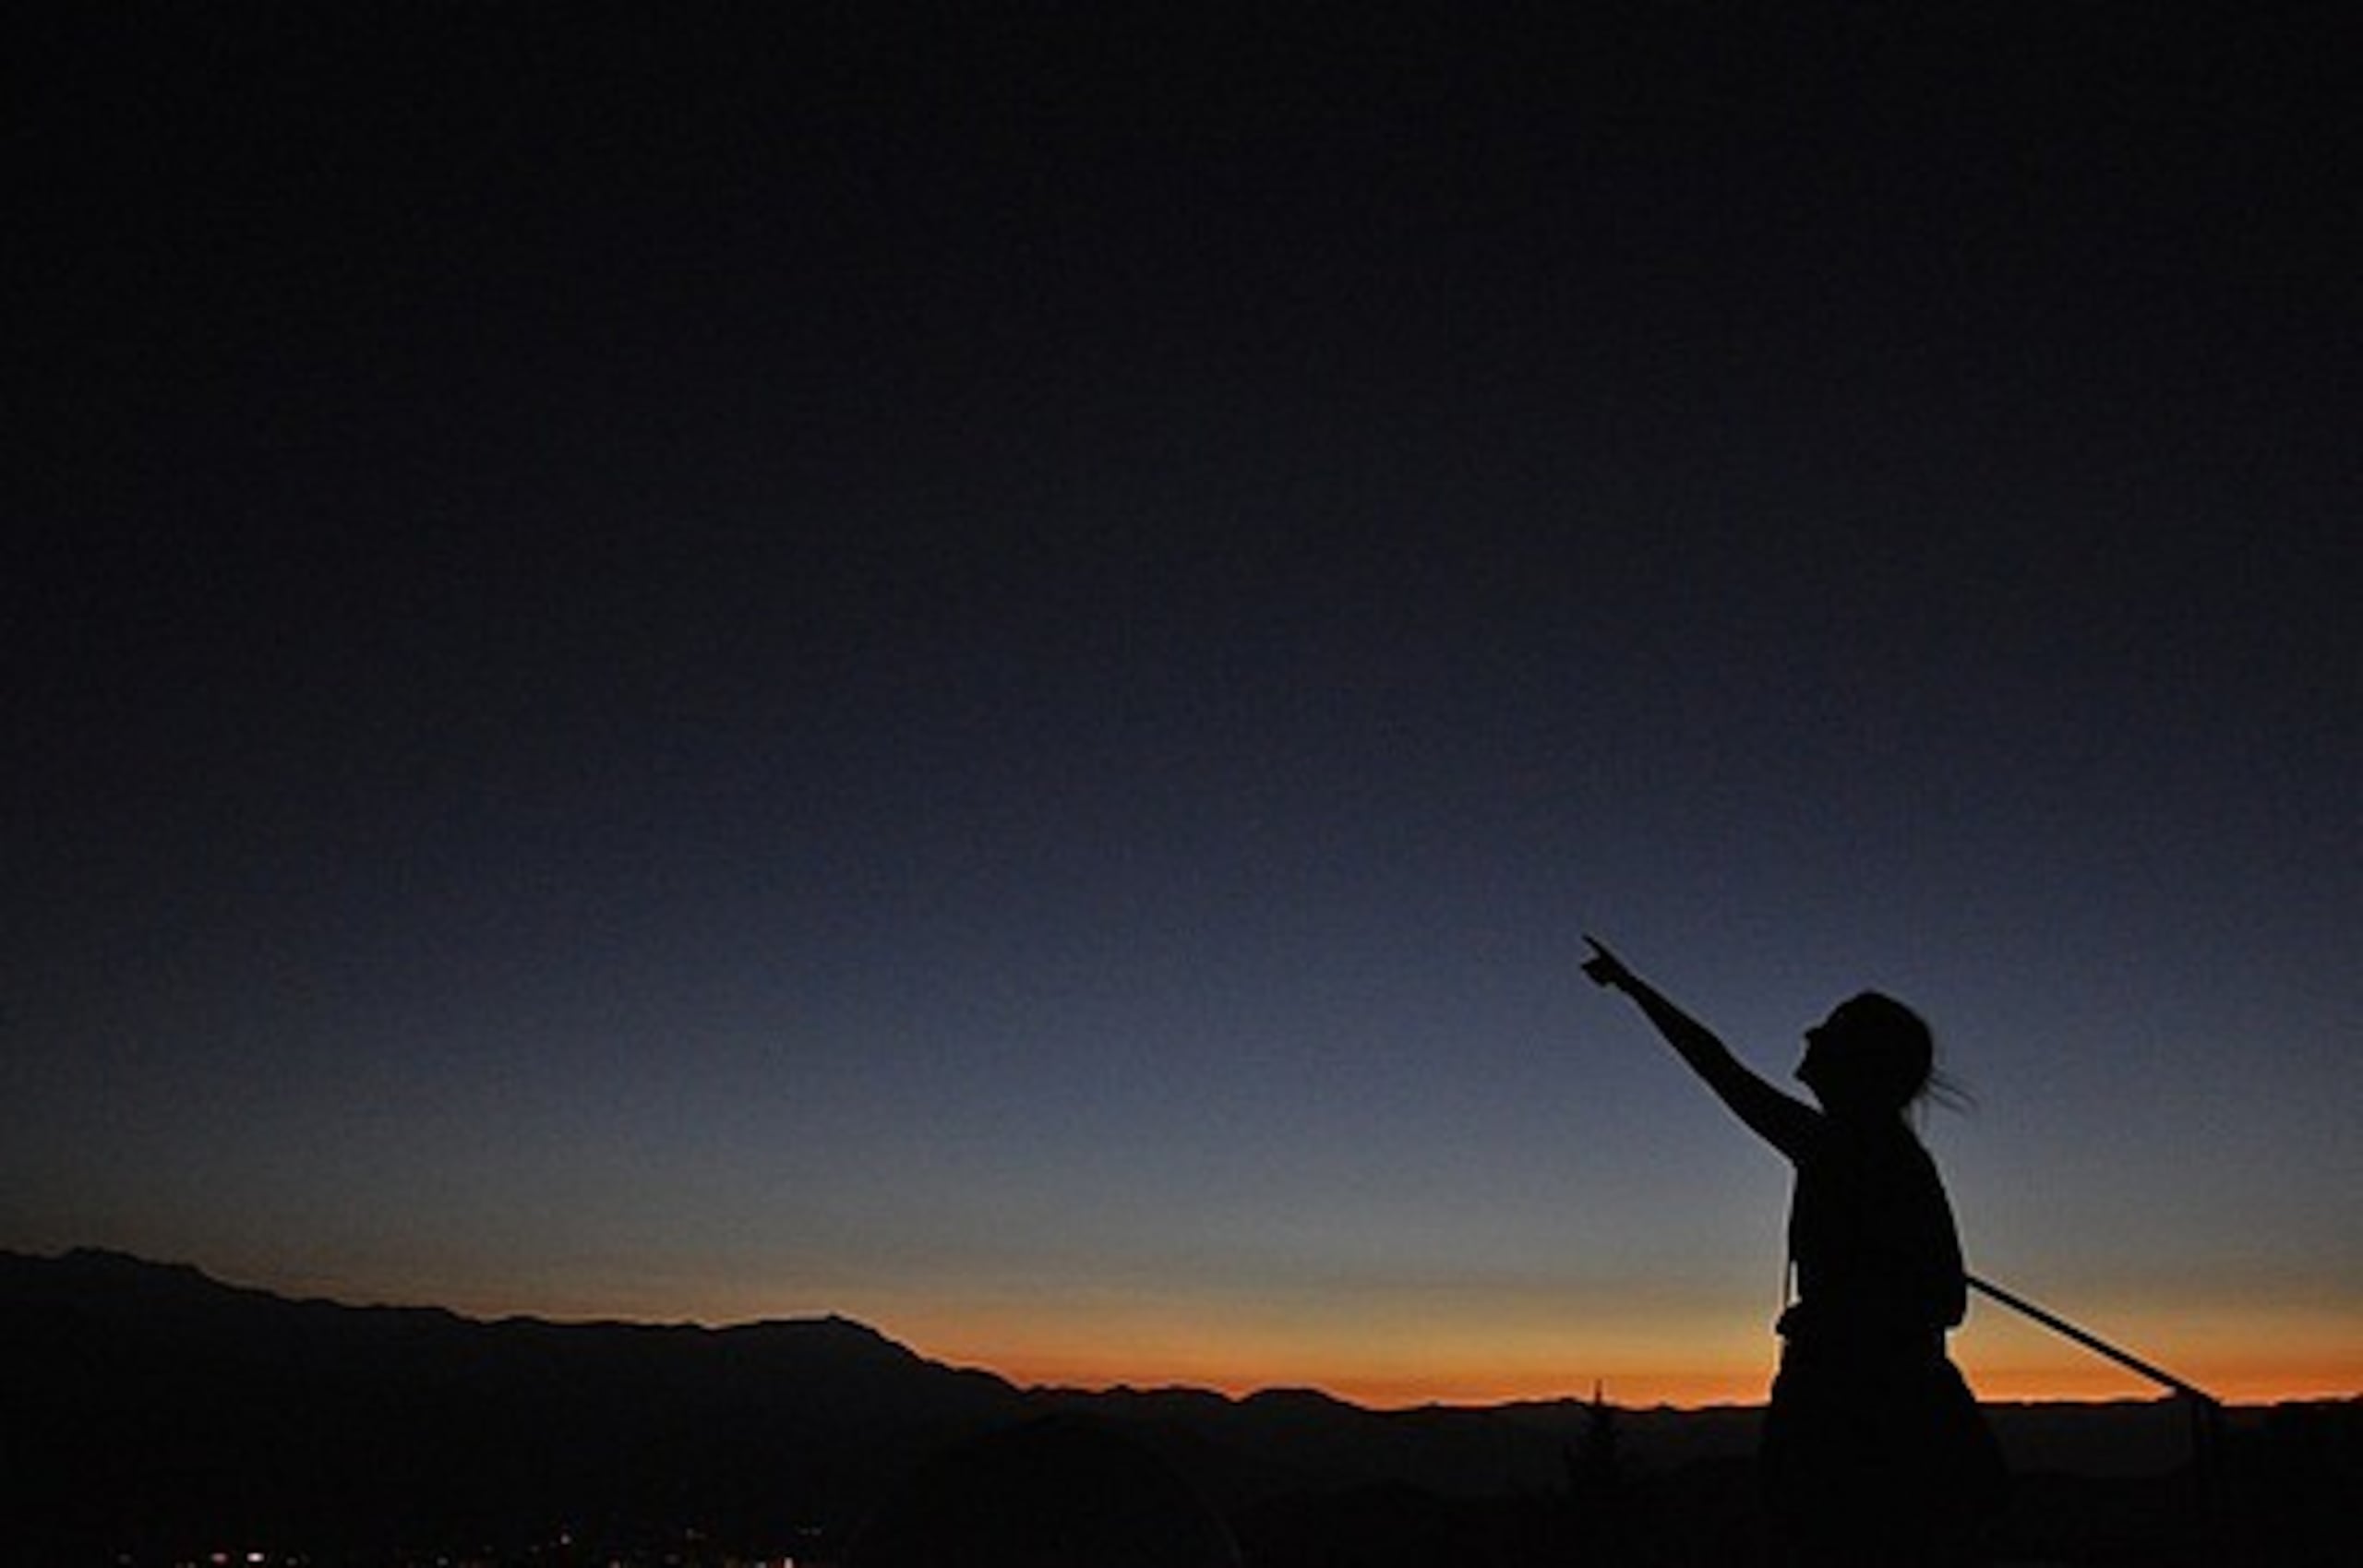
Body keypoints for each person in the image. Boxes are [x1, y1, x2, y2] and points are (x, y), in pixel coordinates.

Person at [1580, 937, 2006, 1566]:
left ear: (1858, 1062)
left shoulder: (1845, 1148)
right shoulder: (1884, 1155)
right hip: (1896, 1413)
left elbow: (1720, 1069)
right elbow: (1945, 1299)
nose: (1809, 1034)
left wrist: (1636, 989)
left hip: (1848, 1420)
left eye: (1829, 1029)